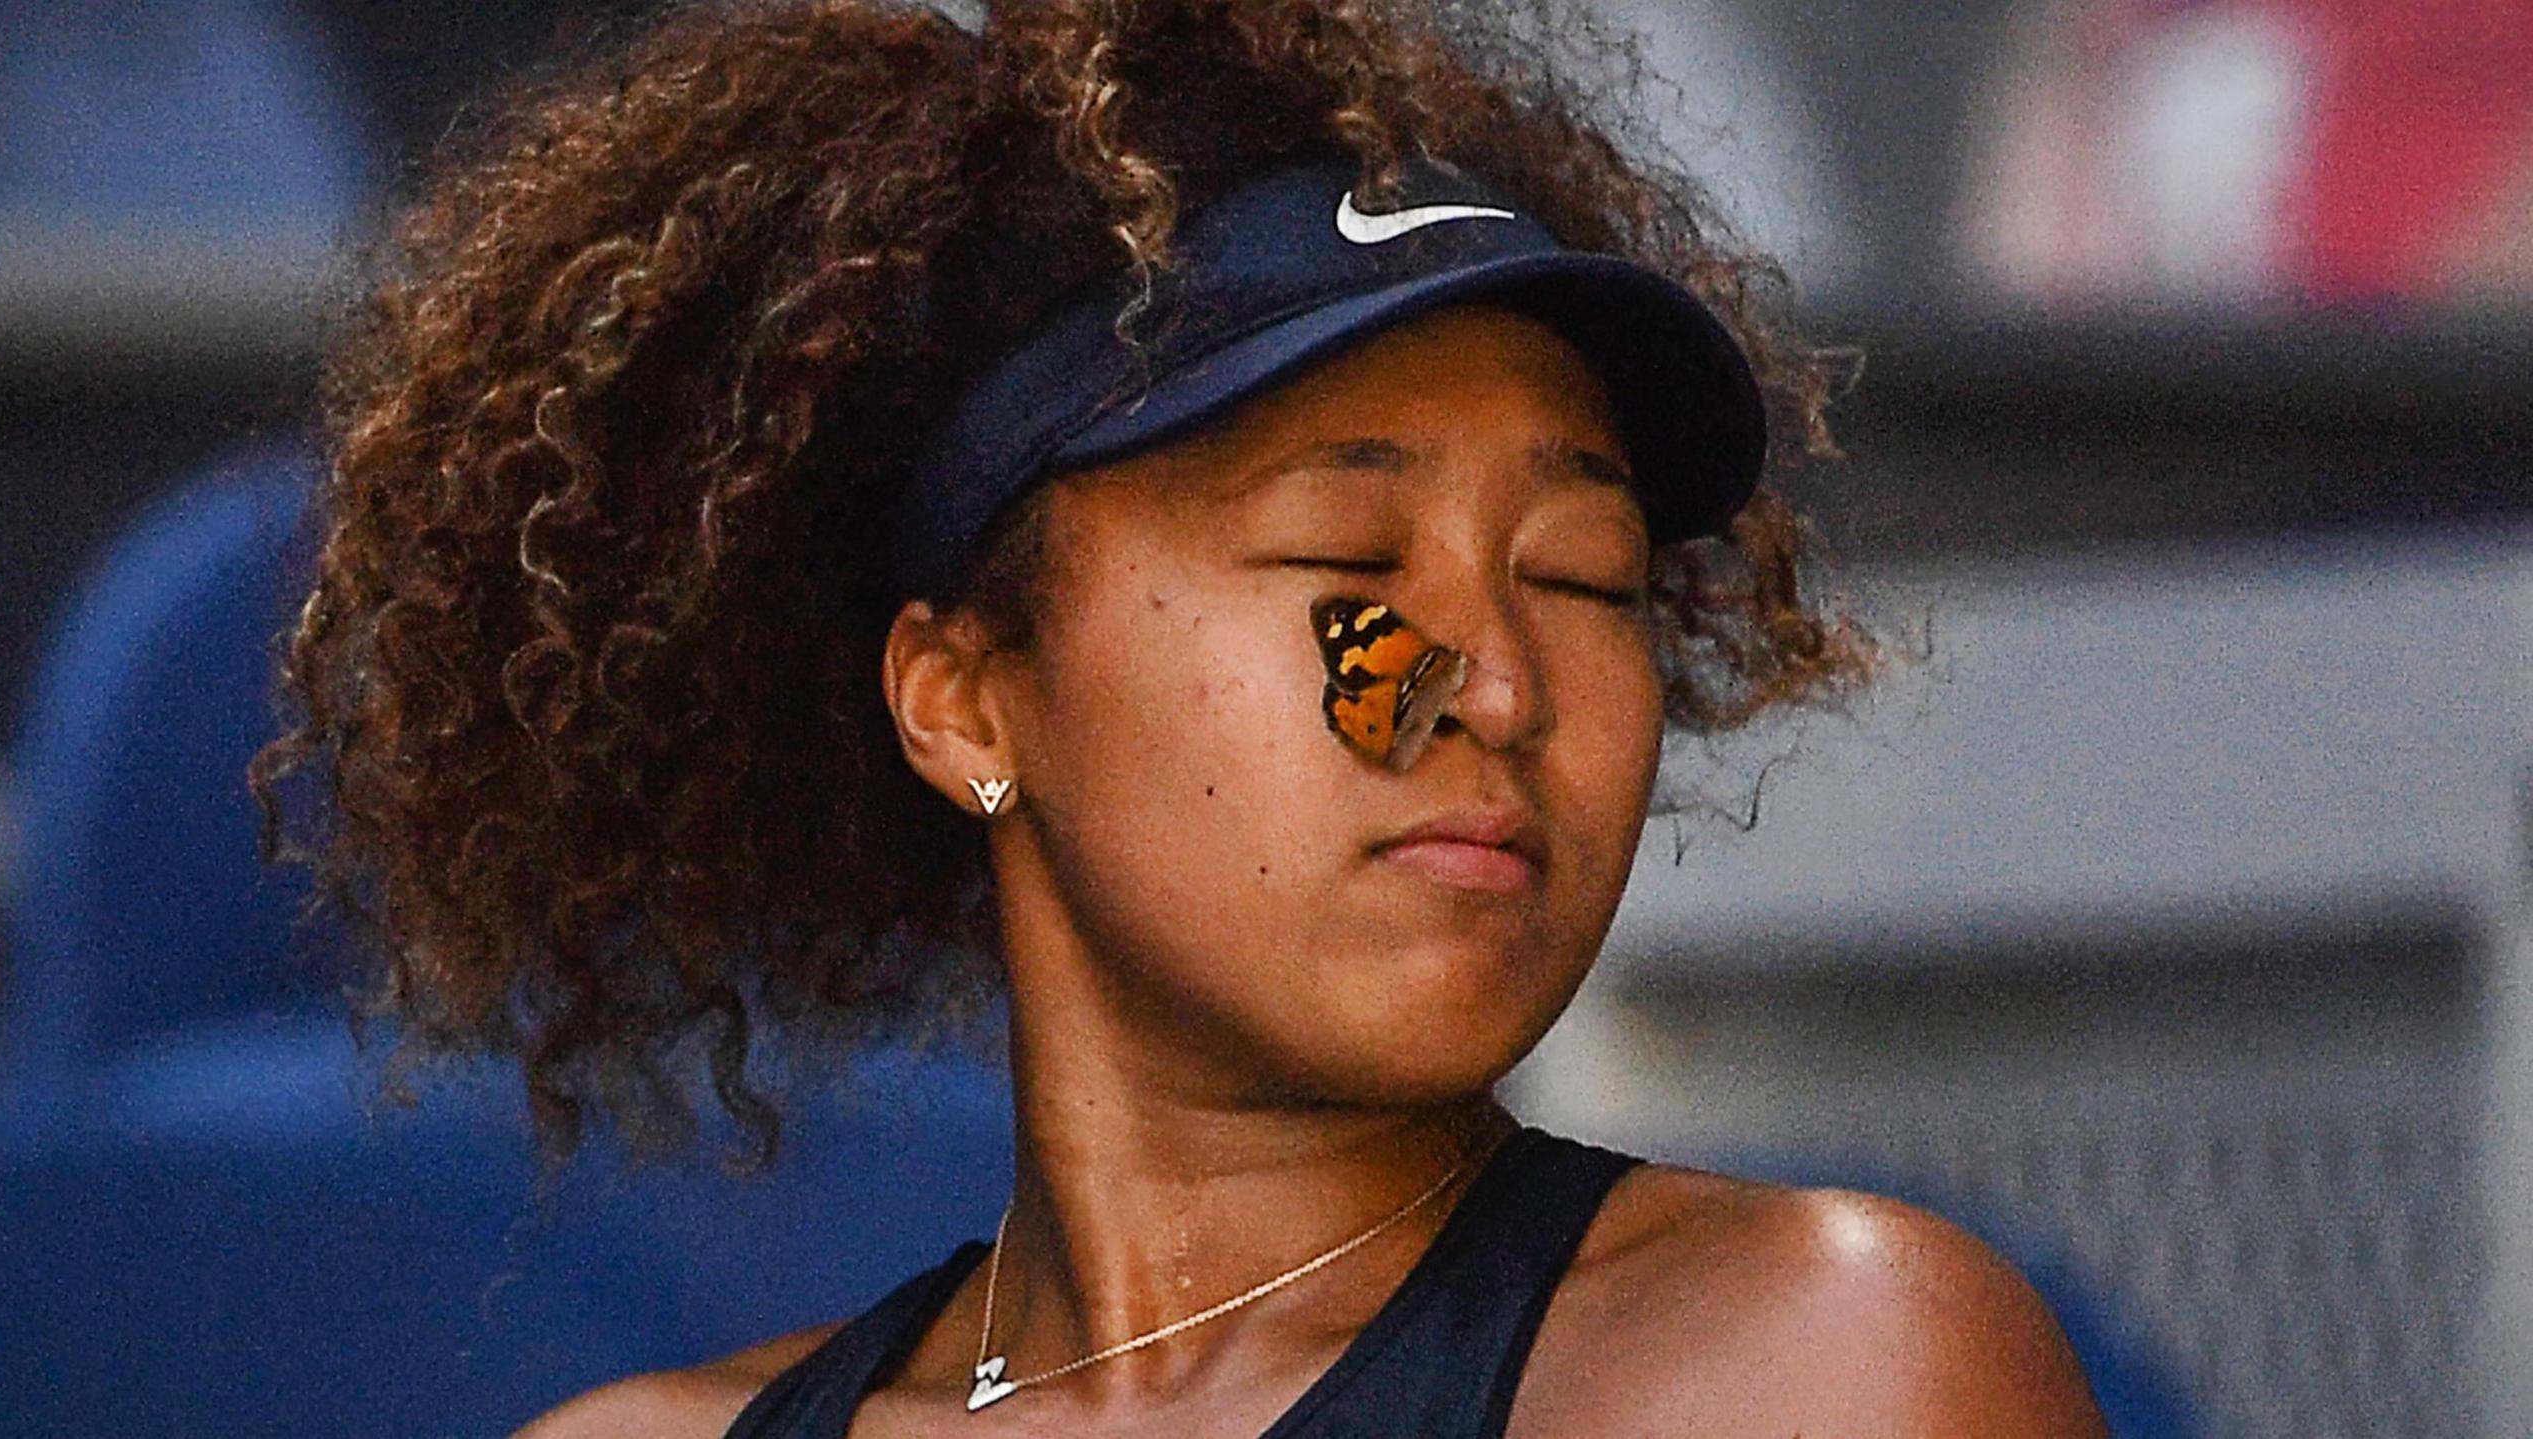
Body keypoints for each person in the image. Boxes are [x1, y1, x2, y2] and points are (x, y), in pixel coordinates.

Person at [252, 0, 2111, 1432]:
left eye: (1582, 579)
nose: (1504, 683)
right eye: (1344, 562)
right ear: (968, 700)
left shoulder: (1824, 1365)